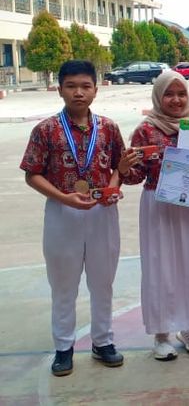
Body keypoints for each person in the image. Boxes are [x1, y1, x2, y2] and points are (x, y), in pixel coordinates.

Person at [20, 60, 126, 376]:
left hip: (101, 212)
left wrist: (112, 187)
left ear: (96, 88)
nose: (79, 93)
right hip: (62, 211)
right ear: (59, 88)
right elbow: (32, 174)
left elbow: (121, 167)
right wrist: (64, 198)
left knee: (102, 281)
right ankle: (63, 347)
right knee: (63, 284)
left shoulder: (108, 128)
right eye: (71, 86)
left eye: (85, 86)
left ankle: (102, 341)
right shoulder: (46, 130)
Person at [119, 71, 189, 361]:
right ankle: (162, 334)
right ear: (158, 96)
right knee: (162, 267)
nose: (176, 100)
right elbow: (136, 176)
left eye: (181, 94)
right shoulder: (145, 130)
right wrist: (125, 168)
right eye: (169, 93)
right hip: (159, 204)